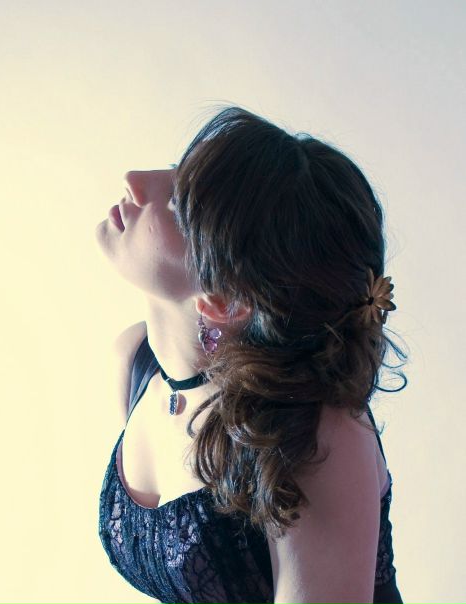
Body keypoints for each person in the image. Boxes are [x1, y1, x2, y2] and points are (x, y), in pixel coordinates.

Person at [94, 105, 407, 604]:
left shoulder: (318, 438)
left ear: (226, 302)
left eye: (177, 205)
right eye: (176, 169)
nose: (135, 180)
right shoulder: (136, 363)